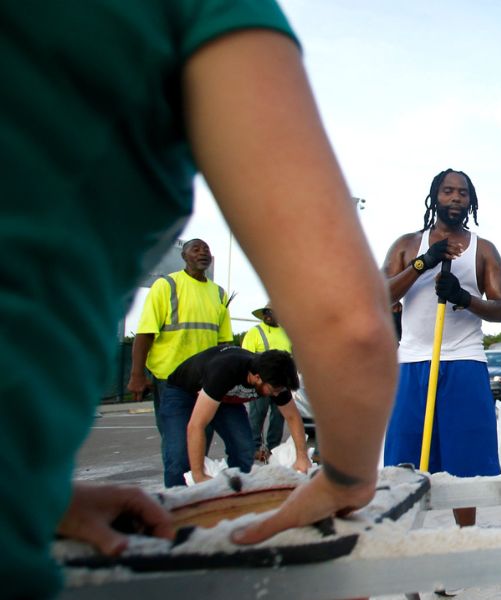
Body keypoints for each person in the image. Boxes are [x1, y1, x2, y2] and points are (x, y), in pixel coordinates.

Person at [1, 3, 398, 596]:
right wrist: (345, 478)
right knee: (183, 451)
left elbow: (292, 412)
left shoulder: (226, 316)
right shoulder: (189, 11)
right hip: (177, 384)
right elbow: (352, 326)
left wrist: (34, 494)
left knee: (238, 451)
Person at [381, 168, 501, 529]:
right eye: (448, 191)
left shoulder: (484, 250)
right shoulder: (408, 244)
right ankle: (406, 537)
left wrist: (463, 298)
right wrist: (424, 262)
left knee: (465, 465)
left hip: (464, 360)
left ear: (471, 201)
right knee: (403, 461)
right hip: (413, 361)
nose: (456, 198)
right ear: (434, 196)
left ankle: (464, 540)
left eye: (463, 193)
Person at [129, 238, 233, 473]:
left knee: (200, 443)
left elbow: (224, 341)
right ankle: (175, 499)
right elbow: (145, 334)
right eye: (195, 249)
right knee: (176, 447)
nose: (202, 253)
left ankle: (193, 493)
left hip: (206, 383)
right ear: (184, 257)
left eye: (206, 249)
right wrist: (137, 375)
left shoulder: (218, 293)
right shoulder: (166, 286)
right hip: (170, 380)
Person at [161, 346, 309, 486]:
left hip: (226, 397)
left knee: (243, 449)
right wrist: (198, 475)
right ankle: (176, 504)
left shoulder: (274, 378)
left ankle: (237, 493)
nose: (277, 394)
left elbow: (292, 417)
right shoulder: (225, 371)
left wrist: (302, 457)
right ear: (257, 377)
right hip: (183, 393)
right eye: (274, 390)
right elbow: (196, 426)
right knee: (178, 456)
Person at [242, 303, 293, 461]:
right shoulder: (254, 333)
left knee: (278, 417)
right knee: (257, 415)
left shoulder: (287, 334)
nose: (268, 315)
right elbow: (246, 358)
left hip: (281, 384)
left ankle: (273, 449)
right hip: (261, 384)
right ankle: (254, 448)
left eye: (271, 312)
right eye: (266, 312)